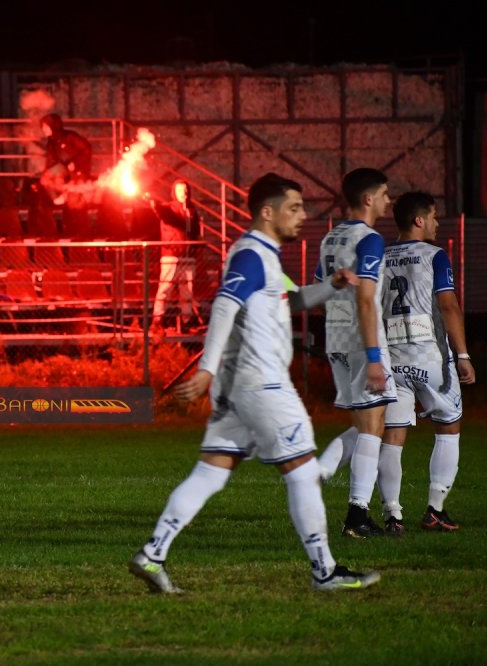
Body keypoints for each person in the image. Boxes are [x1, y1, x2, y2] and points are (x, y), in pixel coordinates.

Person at [129, 172, 379, 593]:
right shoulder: (250, 253)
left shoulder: (262, 255)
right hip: (261, 383)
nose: (303, 216)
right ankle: (325, 572)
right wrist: (205, 367)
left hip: (238, 387)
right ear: (268, 212)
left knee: (211, 472)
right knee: (302, 472)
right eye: (294, 208)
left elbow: (293, 298)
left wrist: (331, 285)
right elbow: (225, 305)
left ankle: (153, 554)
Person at [376, 191, 475, 534]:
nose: (436, 222)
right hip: (430, 356)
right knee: (448, 426)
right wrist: (462, 355)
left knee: (392, 435)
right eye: (433, 216)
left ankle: (392, 515)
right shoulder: (435, 255)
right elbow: (448, 305)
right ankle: (435, 510)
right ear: (418, 220)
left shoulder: (381, 256)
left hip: (392, 358)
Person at [314, 168, 397, 539]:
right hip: (363, 342)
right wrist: (375, 356)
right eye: (384, 194)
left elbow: (320, 292)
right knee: (373, 428)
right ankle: (357, 516)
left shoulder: (330, 237)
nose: (388, 200)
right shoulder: (370, 239)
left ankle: (320, 472)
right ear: (368, 199)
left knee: (367, 424)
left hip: (336, 338)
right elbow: (366, 298)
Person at [145, 179, 203, 341]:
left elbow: (196, 230)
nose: (183, 193)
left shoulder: (192, 211)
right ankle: (157, 320)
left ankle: (186, 320)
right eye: (179, 190)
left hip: (187, 255)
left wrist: (196, 246)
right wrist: (153, 202)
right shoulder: (169, 208)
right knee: (165, 287)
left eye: (185, 190)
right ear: (174, 192)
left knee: (187, 290)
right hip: (172, 253)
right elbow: (162, 212)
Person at [39, 113, 92, 205]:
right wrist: (49, 172)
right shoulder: (51, 142)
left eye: (45, 126)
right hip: (63, 167)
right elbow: (51, 160)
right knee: (45, 178)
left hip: (79, 169)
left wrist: (76, 163)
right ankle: (59, 198)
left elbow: (87, 148)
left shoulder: (70, 136)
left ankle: (71, 195)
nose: (43, 129)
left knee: (75, 201)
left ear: (53, 126)